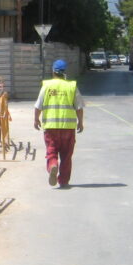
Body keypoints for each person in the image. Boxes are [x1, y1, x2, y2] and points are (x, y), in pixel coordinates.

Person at [33, 59, 84, 189]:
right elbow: (79, 107)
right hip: (68, 127)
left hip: (51, 127)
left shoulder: (47, 86)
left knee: (52, 150)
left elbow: (38, 105)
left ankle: (52, 165)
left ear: (53, 72)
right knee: (67, 155)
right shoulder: (72, 86)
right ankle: (64, 180)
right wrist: (80, 123)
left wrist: (36, 119)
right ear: (64, 72)